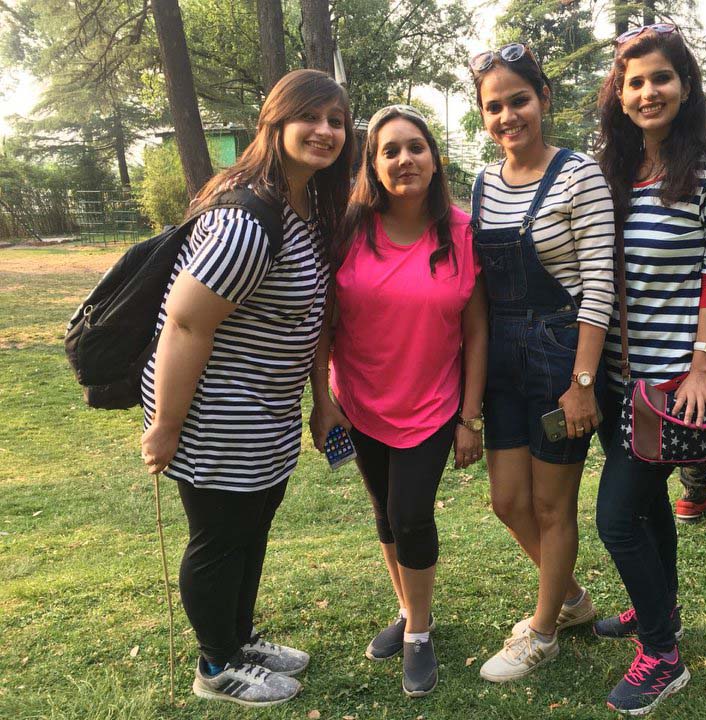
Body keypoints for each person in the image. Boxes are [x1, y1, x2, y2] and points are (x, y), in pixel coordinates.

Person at [139, 69, 354, 707]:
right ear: (275, 123)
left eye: (336, 121)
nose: (324, 131)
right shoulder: (249, 218)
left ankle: (235, 640)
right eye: (309, 117)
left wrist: (322, 399)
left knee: (250, 528)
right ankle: (215, 665)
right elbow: (185, 322)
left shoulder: (305, 206)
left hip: (266, 408)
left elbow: (310, 315)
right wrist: (167, 425)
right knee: (220, 538)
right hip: (213, 409)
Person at [593, 24, 706, 715]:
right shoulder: (614, 172)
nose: (648, 92)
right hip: (613, 375)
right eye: (635, 82)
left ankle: (661, 653)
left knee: (616, 518)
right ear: (619, 96)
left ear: (686, 87)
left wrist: (701, 366)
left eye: (661, 78)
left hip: (669, 382)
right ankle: (662, 609)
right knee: (649, 506)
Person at [310, 104, 487, 697]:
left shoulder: (462, 232)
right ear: (373, 165)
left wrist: (470, 417)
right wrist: (323, 400)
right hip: (359, 405)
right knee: (385, 513)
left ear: (434, 159)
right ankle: (411, 608)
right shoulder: (348, 230)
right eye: (390, 151)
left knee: (411, 514)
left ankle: (418, 631)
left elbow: (477, 330)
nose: (405, 159)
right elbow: (324, 322)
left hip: (432, 406)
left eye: (416, 147)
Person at [467, 43, 616, 682]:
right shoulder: (483, 183)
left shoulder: (581, 175)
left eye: (519, 100)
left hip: (560, 354)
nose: (508, 116)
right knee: (507, 501)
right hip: (501, 354)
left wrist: (583, 383)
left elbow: (600, 283)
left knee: (554, 507)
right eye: (494, 107)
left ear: (544, 99)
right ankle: (573, 598)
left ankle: (545, 630)